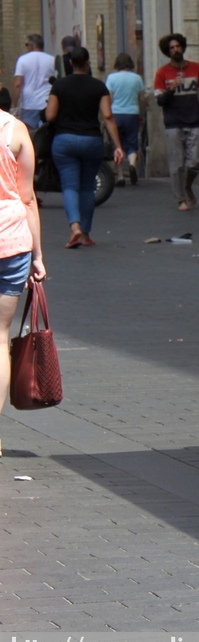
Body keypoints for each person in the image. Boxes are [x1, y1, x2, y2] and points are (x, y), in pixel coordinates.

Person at [45, 47, 124, 248]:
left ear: (70, 63)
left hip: (64, 141)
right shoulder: (98, 87)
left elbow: (50, 116)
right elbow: (107, 116)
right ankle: (86, 235)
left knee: (70, 186)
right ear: (88, 63)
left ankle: (75, 227)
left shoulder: (60, 86)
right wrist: (118, 146)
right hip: (91, 141)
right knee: (87, 188)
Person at [0, 104, 46, 448]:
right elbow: (27, 198)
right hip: (12, 242)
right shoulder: (14, 130)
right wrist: (38, 255)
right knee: (0, 338)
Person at [153, 33, 199, 211]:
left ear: (183, 48)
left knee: (197, 160)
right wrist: (171, 89)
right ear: (167, 51)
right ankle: (181, 199)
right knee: (177, 164)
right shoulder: (162, 73)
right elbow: (159, 100)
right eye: (172, 48)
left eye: (178, 46)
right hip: (173, 124)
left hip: (193, 121)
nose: (175, 50)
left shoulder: (197, 69)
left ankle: (187, 185)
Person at [105, 53, 146, 185]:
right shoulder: (137, 78)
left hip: (116, 114)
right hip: (132, 113)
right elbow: (142, 98)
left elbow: (109, 97)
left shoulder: (111, 78)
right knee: (132, 143)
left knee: (117, 144)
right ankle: (132, 165)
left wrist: (106, 115)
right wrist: (142, 114)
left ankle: (120, 176)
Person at [13, 34, 56, 131]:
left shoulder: (22, 60)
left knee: (29, 133)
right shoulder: (52, 60)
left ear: (31, 45)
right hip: (46, 103)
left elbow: (18, 84)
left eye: (27, 45)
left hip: (29, 103)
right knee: (46, 133)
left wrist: (13, 105)